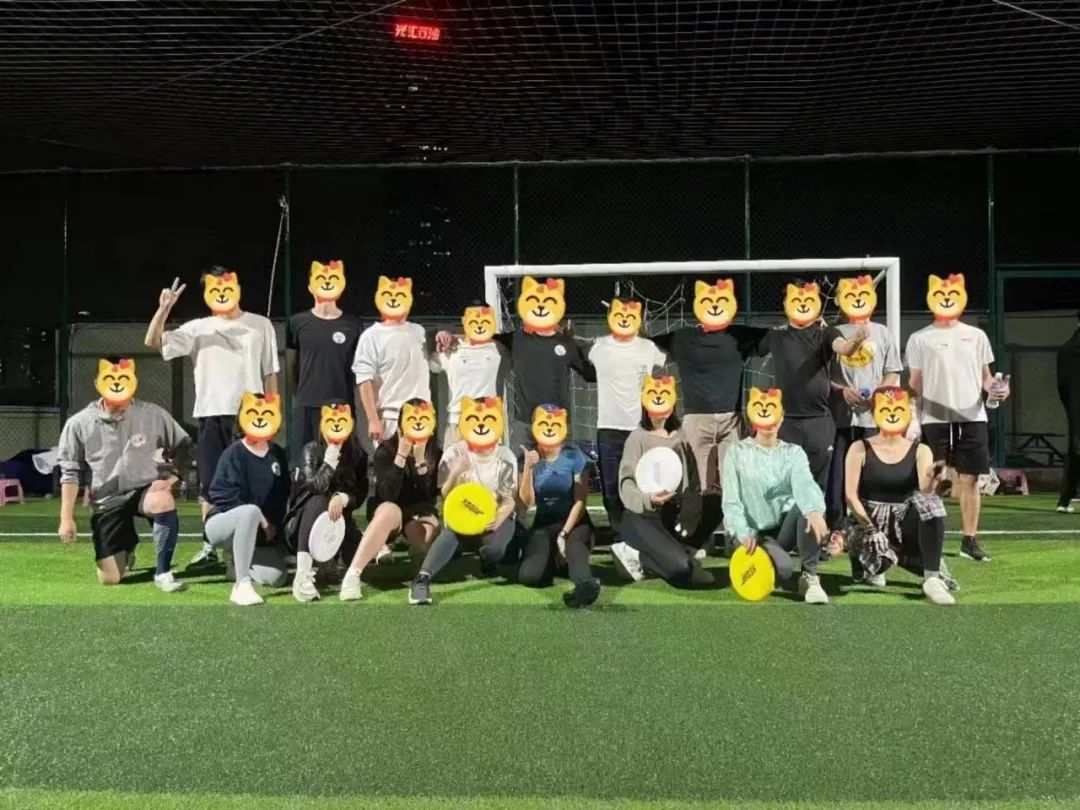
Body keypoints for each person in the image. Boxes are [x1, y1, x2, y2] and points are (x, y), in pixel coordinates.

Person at [145, 270, 280, 567]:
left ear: (238, 287)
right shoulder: (198, 328)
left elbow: (270, 371)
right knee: (210, 485)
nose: (222, 292)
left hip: (252, 416)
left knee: (252, 482)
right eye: (213, 288)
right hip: (211, 414)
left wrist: (275, 411)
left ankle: (254, 543)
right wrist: (164, 309)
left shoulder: (260, 324)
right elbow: (153, 341)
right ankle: (210, 547)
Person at [56, 358, 192, 591]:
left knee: (162, 500)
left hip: (144, 490)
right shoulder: (78, 423)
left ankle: (163, 572)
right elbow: (70, 473)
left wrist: (174, 477)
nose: (118, 387)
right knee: (110, 578)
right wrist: (66, 519)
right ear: (98, 384)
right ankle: (126, 545)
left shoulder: (152, 414)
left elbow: (185, 444)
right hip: (107, 500)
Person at [906, 273, 1009, 562]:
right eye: (940, 294)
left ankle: (969, 540)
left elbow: (986, 377)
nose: (947, 299)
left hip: (972, 416)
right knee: (933, 478)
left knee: (970, 479)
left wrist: (998, 389)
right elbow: (914, 382)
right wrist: (912, 413)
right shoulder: (919, 338)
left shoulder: (976, 336)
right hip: (934, 418)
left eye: (952, 294)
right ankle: (925, 539)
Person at [843, 387, 957, 605]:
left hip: (904, 520)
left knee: (930, 502)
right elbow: (850, 496)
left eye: (898, 409)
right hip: (869, 521)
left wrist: (935, 478)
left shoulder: (921, 450)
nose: (892, 414)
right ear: (875, 414)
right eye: (886, 409)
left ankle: (931, 579)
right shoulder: (859, 448)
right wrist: (870, 528)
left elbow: (925, 493)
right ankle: (867, 562)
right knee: (878, 566)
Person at [653, 280, 766, 498]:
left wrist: (814, 329)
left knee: (734, 486)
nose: (714, 306)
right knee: (697, 486)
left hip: (731, 420)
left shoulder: (739, 336)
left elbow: (777, 339)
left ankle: (734, 522)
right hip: (697, 420)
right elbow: (646, 345)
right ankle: (698, 520)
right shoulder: (681, 337)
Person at [722, 387, 831, 604]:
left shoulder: (794, 452)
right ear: (753, 417)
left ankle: (810, 577)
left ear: (781, 419)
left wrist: (813, 511)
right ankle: (772, 561)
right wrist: (743, 532)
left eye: (773, 412)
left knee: (811, 505)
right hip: (751, 533)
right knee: (784, 570)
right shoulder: (736, 452)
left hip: (782, 530)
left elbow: (805, 484)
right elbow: (731, 502)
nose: (767, 418)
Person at [758, 280, 869, 491]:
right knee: (786, 485)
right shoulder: (775, 336)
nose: (802, 304)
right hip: (786, 422)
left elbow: (844, 348)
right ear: (786, 304)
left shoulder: (826, 333)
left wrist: (856, 341)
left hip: (819, 420)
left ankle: (816, 515)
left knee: (818, 486)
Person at [409, 396, 518, 605]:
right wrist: (455, 472)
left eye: (488, 420)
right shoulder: (454, 453)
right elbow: (445, 493)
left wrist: (498, 519)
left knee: (494, 550)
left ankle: (486, 559)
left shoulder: (505, 455)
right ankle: (422, 580)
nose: (481, 425)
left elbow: (510, 500)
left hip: (494, 516)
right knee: (451, 535)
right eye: (474, 420)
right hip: (463, 515)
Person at [339, 398, 442, 601]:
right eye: (411, 420)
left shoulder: (434, 452)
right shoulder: (385, 450)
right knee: (389, 510)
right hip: (390, 509)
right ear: (401, 425)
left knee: (426, 536)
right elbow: (387, 494)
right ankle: (353, 575)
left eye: (423, 420)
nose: (417, 424)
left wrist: (421, 462)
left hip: (418, 512)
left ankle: (413, 554)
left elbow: (429, 498)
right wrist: (401, 457)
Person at [611, 375, 709, 588]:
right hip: (641, 517)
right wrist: (648, 499)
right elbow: (626, 484)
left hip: (671, 517)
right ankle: (632, 553)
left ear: (673, 404)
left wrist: (690, 516)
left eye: (664, 395)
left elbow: (692, 482)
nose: (658, 399)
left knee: (681, 566)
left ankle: (675, 556)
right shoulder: (637, 438)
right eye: (653, 395)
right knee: (680, 569)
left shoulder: (681, 437)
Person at [826, 275, 902, 530]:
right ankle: (837, 528)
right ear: (839, 300)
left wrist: (879, 393)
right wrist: (841, 392)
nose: (857, 300)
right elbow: (823, 377)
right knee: (837, 474)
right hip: (840, 418)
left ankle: (872, 525)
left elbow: (892, 371)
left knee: (871, 472)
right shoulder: (833, 333)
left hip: (872, 417)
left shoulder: (882, 333)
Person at [588, 298, 667, 538]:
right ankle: (622, 536)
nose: (624, 320)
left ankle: (647, 535)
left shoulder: (649, 348)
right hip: (608, 428)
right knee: (611, 490)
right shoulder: (598, 347)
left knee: (643, 485)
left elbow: (667, 363)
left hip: (641, 429)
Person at [204, 392, 290, 606]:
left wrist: (275, 529)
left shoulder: (278, 454)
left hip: (258, 532)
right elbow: (220, 494)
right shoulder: (234, 453)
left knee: (276, 577)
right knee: (250, 511)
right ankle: (241, 585)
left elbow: (282, 496)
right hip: (221, 524)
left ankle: (236, 564)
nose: (260, 419)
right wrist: (260, 517)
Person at [285, 403, 368, 602]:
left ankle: (331, 562)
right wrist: (330, 459)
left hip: (340, 521)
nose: (336, 425)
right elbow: (315, 486)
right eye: (330, 421)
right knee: (319, 500)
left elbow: (360, 493)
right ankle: (302, 574)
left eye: (342, 421)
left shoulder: (358, 455)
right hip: (306, 521)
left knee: (361, 556)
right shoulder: (311, 450)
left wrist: (342, 498)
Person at [518, 405, 600, 608]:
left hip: (574, 522)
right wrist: (528, 468)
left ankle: (585, 585)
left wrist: (563, 535)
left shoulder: (574, 456)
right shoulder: (528, 457)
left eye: (554, 424)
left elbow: (580, 501)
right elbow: (527, 502)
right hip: (545, 523)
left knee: (574, 547)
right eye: (543, 423)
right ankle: (555, 562)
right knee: (531, 576)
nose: (549, 428)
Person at [286, 260, 362, 462]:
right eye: (320, 279)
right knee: (303, 465)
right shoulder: (297, 322)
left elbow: (359, 368)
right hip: (306, 406)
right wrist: (301, 394)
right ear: (310, 287)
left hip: (341, 408)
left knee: (341, 465)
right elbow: (290, 366)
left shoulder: (353, 324)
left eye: (333, 279)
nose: (327, 283)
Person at [353, 276, 431, 443]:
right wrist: (373, 420)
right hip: (390, 418)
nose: (394, 299)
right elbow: (364, 381)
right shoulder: (371, 336)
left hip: (422, 415)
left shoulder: (419, 331)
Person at [430, 303, 505, 448]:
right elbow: (431, 365)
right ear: (464, 320)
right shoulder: (451, 349)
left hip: (489, 421)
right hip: (457, 421)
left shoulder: (498, 348)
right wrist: (438, 338)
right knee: (453, 463)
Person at [1056, 312, 1080, 513]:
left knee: (1075, 449)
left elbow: (1061, 384)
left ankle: (1065, 499)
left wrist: (1071, 404)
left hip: (1075, 405)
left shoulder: (1066, 349)